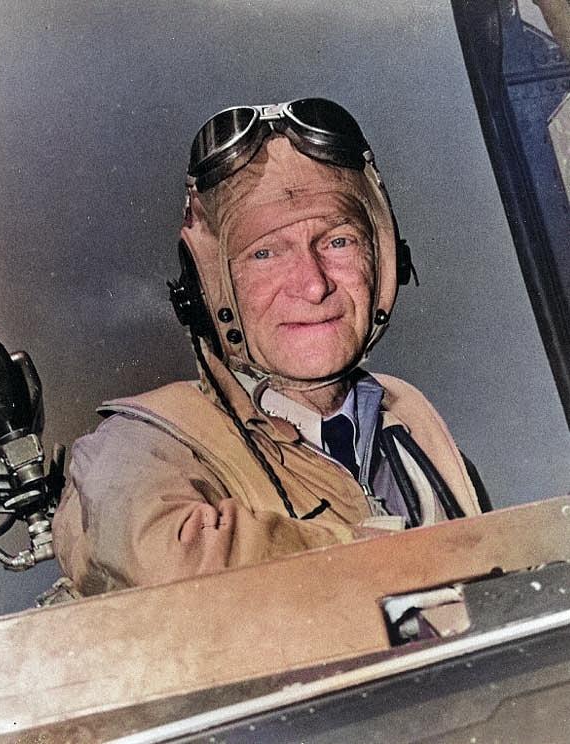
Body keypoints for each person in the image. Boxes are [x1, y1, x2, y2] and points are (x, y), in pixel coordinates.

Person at [52, 99, 490, 596]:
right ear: (208, 289)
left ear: (383, 258)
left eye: (338, 242)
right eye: (265, 253)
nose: (313, 285)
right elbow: (165, 562)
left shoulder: (412, 428)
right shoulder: (139, 444)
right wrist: (392, 556)